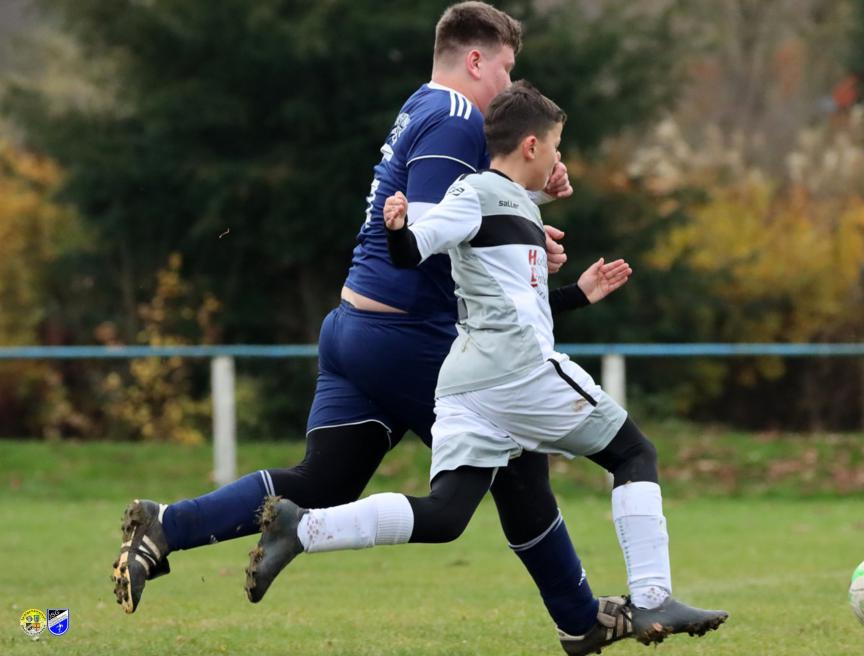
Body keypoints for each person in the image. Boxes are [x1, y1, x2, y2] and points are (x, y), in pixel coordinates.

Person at [112, 3, 633, 654]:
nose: (509, 86)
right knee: (520, 472)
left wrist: (528, 205)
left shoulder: (424, 106)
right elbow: (427, 235)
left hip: (356, 330)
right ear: (475, 61)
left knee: (322, 483)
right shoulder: (455, 116)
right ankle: (581, 621)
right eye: (506, 69)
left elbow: (460, 212)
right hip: (408, 335)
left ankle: (167, 526)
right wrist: (521, 232)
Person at [244, 81, 729, 648]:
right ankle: (651, 598)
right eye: (555, 146)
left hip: (469, 385)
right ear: (531, 145)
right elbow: (414, 248)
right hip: (517, 371)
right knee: (634, 453)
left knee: (446, 516)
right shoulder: (473, 194)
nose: (559, 159)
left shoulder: (517, 205)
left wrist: (579, 293)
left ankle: (304, 527)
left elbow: (515, 302)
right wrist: (398, 231)